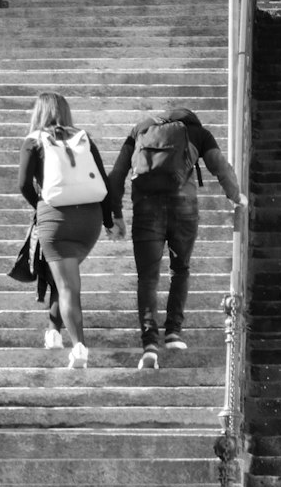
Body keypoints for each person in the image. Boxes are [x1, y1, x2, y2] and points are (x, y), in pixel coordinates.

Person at [108, 106, 246, 370]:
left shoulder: (140, 130)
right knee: (180, 268)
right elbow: (220, 166)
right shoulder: (197, 132)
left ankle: (149, 343)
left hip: (146, 207)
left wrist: (115, 215)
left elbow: (116, 176)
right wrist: (236, 196)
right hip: (184, 208)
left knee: (147, 278)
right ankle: (173, 333)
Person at [18, 91, 115, 369]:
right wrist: (110, 220)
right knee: (64, 276)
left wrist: (40, 207)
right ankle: (53, 331)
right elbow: (103, 181)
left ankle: (80, 347)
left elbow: (24, 184)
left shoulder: (33, 140)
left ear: (38, 112)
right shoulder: (82, 137)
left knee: (67, 285)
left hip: (56, 218)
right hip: (89, 221)